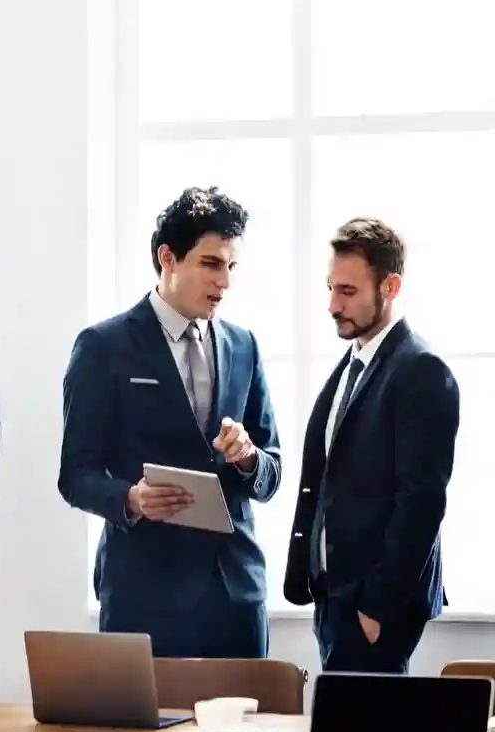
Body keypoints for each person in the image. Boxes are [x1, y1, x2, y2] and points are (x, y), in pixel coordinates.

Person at [58, 187, 283, 658]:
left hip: (236, 594)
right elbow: (75, 475)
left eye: (231, 266)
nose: (224, 281)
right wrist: (132, 499)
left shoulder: (245, 346)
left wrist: (248, 458)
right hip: (145, 596)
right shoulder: (104, 346)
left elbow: (271, 472)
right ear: (168, 257)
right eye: (210, 264)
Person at [283, 218, 457, 674]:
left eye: (347, 291)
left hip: (373, 606)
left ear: (391, 286)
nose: (332, 305)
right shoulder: (352, 364)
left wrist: (376, 607)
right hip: (334, 598)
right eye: (330, 288)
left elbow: (421, 502)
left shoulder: (421, 370)